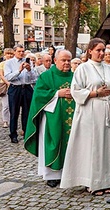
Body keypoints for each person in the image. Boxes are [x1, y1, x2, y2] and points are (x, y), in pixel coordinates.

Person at [60, 38, 110, 196]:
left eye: (103, 50)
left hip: (107, 111)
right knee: (93, 147)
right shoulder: (83, 68)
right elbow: (75, 91)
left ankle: (107, 181)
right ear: (90, 51)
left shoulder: (109, 68)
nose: (101, 53)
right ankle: (92, 182)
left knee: (107, 146)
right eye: (98, 50)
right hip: (90, 111)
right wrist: (95, 93)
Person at [24, 49, 75, 188]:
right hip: (53, 117)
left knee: (71, 144)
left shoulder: (76, 76)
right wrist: (57, 93)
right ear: (55, 61)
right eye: (63, 60)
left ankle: (69, 173)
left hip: (73, 117)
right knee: (54, 141)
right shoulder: (46, 77)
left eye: (68, 60)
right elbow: (39, 95)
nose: (66, 63)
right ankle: (52, 175)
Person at [4, 44, 37, 143]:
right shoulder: (9, 63)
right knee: (14, 112)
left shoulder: (28, 62)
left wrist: (29, 70)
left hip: (26, 87)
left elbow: (34, 78)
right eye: (19, 51)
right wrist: (19, 71)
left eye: (23, 51)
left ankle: (26, 132)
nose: (21, 53)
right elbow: (8, 77)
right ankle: (13, 134)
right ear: (15, 52)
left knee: (27, 112)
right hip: (15, 88)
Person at [0, 48, 14, 128]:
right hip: (4, 85)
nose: (9, 56)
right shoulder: (2, 64)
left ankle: (12, 119)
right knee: (5, 105)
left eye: (11, 54)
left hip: (13, 84)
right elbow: (1, 75)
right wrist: (7, 82)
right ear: (5, 55)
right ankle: (5, 120)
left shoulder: (14, 63)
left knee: (13, 104)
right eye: (8, 54)